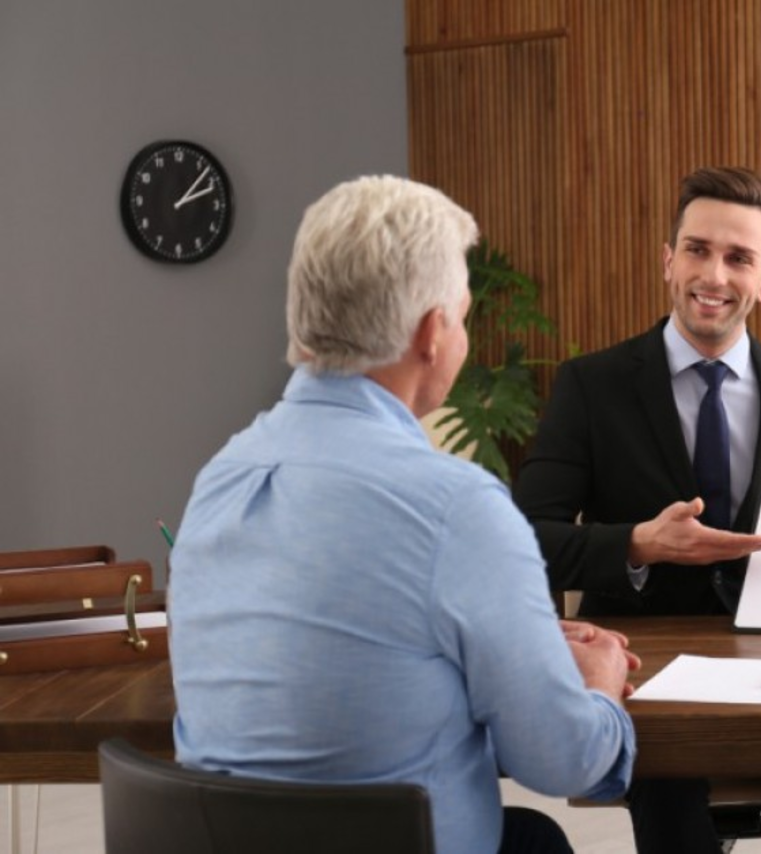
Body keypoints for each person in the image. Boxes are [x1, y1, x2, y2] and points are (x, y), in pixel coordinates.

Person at [167, 175, 639, 854]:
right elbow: (566, 762)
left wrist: (508, 645)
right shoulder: (457, 507)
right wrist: (598, 685)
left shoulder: (219, 478)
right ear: (432, 331)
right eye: (465, 316)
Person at [514, 166, 761, 854]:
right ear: (669, 260)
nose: (714, 275)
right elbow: (523, 542)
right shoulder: (591, 386)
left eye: (739, 258)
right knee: (672, 803)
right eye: (698, 250)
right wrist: (637, 545)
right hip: (645, 669)